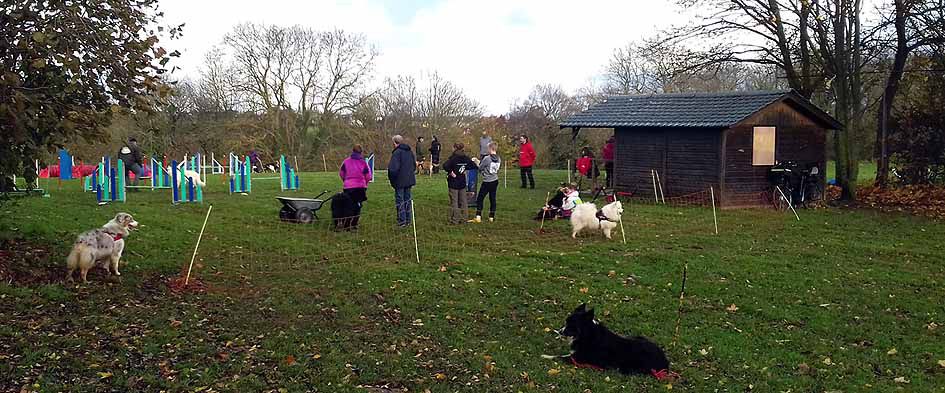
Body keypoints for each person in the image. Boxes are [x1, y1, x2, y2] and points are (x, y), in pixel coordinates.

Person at [339, 144, 372, 230]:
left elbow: (341, 173)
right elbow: (368, 176)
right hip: (360, 187)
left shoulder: (346, 162)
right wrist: (365, 183)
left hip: (348, 187)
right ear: (361, 152)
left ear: (352, 151)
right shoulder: (363, 163)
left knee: (347, 205)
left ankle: (346, 224)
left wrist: (346, 181)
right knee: (358, 206)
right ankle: (354, 224)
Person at [442, 143, 476, 224]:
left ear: (455, 148)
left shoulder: (453, 158)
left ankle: (455, 220)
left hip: (453, 183)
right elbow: (473, 165)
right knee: (463, 201)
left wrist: (450, 172)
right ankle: (464, 219)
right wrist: (465, 169)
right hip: (462, 183)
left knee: (454, 202)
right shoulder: (466, 158)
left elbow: (445, 166)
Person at [387, 135, 417, 227]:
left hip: (399, 181)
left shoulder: (397, 153)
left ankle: (402, 221)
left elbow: (393, 169)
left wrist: (392, 180)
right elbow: (414, 166)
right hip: (409, 180)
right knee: (407, 200)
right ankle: (408, 220)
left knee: (400, 201)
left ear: (395, 143)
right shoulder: (410, 152)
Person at [470, 142, 501, 223]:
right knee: (492, 199)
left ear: (490, 149)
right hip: (495, 180)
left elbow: (480, 168)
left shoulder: (487, 158)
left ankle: (478, 217)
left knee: (480, 198)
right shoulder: (499, 158)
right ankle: (491, 217)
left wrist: (476, 161)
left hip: (487, 181)